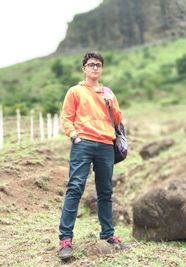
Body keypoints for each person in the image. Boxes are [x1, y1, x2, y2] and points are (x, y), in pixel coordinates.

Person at [58, 51, 125, 260]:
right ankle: (65, 240)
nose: (95, 67)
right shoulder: (75, 91)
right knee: (75, 188)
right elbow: (66, 117)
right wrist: (75, 136)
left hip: (106, 144)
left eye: (98, 65)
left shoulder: (108, 92)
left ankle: (108, 235)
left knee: (105, 191)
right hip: (83, 144)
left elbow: (117, 118)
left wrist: (110, 102)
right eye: (91, 64)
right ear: (84, 68)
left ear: (101, 68)